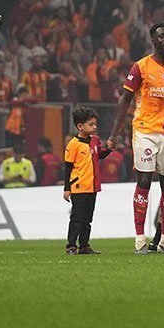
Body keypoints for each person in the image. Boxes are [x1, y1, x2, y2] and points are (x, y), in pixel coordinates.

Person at [107, 22, 164, 255]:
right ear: (153, 40)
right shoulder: (140, 67)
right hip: (145, 131)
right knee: (144, 181)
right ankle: (139, 239)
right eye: (162, 36)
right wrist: (114, 134)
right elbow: (125, 99)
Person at [63, 106, 112, 255]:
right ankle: (71, 246)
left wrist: (108, 149)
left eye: (95, 124)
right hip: (79, 186)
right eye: (91, 124)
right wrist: (67, 188)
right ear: (80, 126)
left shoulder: (95, 140)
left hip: (92, 186)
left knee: (87, 219)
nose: (94, 127)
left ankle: (84, 246)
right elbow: (68, 167)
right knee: (77, 218)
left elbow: (99, 155)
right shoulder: (73, 144)